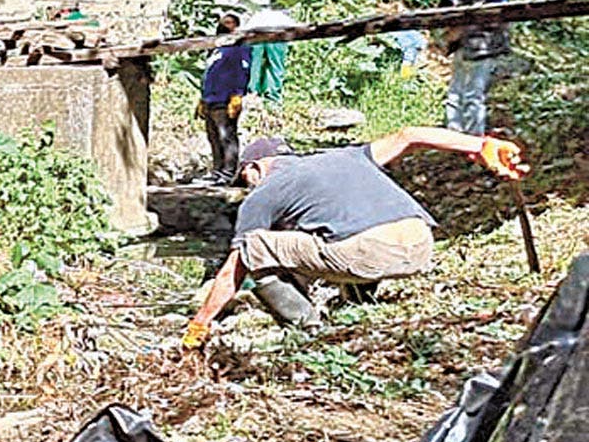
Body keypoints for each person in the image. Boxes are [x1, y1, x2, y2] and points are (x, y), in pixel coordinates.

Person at [181, 129, 527, 344]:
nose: (247, 188)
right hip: (420, 243)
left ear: (253, 168)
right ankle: (356, 304)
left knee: (255, 246)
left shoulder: (264, 192)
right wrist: (480, 144)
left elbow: (233, 270)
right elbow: (409, 136)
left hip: (371, 253)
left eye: (245, 180)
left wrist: (200, 324)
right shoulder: (345, 156)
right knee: (336, 229)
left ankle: (308, 332)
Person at [440, 0, 511, 136]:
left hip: (484, 48)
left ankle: (473, 138)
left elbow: (496, 17)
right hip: (462, 48)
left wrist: (464, 28)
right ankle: (453, 134)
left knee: (474, 96)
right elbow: (442, 8)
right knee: (454, 95)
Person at [199, 11, 252, 183]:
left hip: (225, 99)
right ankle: (217, 171)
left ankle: (228, 173)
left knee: (226, 136)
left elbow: (243, 71)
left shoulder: (239, 47)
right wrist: (202, 97)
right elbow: (208, 74)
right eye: (223, 23)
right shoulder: (215, 48)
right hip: (210, 99)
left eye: (229, 23)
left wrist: (237, 94)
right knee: (213, 137)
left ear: (236, 26)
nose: (224, 26)